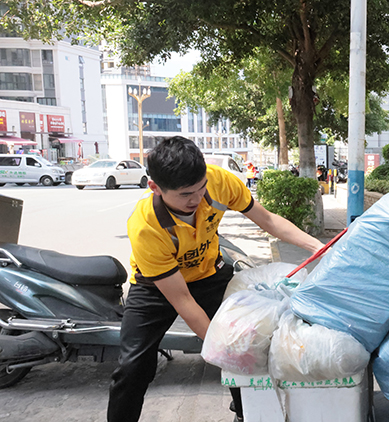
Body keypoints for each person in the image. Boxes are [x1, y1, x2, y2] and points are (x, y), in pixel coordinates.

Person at [107, 136, 325, 422]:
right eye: (186, 194)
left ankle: (247, 414)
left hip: (210, 275)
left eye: (200, 189)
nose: (196, 200)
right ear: (155, 188)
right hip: (156, 289)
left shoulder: (219, 181)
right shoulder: (146, 227)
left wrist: (317, 247)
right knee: (132, 367)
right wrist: (222, 344)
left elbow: (268, 220)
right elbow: (183, 300)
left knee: (244, 346)